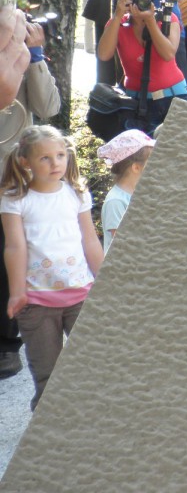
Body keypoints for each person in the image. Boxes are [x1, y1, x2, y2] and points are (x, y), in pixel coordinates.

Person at [1, 125, 103, 410]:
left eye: (60, 155)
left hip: (80, 297)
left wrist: (106, 282)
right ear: (25, 161)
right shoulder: (15, 199)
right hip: (37, 303)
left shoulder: (76, 194)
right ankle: (48, 442)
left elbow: (90, 241)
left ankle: (89, 425)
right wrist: (17, 292)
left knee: (93, 368)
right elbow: (15, 247)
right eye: (45, 158)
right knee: (48, 376)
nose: (55, 162)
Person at [0, 0, 60, 379]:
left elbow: (49, 106)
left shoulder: (19, 47)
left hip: (12, 174)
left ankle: (7, 343)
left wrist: (35, 58)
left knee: (11, 256)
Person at [97, 0, 187, 135]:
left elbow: (168, 54)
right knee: (143, 158)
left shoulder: (167, 19)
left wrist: (150, 21)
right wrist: (118, 16)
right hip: (137, 103)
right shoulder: (118, 24)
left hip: (174, 97)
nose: (135, 1)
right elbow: (104, 55)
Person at [97, 129, 155, 254]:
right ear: (136, 167)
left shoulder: (141, 194)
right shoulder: (116, 201)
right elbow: (123, 244)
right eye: (151, 161)